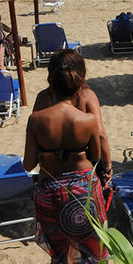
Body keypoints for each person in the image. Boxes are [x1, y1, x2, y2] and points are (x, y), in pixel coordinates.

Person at [23, 50, 109, 263]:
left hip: (49, 189)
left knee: (61, 255)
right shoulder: (87, 107)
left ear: (52, 76)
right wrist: (106, 168)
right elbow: (98, 147)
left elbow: (28, 164)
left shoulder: (37, 114)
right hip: (83, 188)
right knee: (95, 251)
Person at [32, 50, 113, 187]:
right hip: (81, 170)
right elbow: (101, 135)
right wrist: (108, 166)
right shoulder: (86, 95)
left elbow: (35, 140)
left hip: (51, 173)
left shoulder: (42, 97)